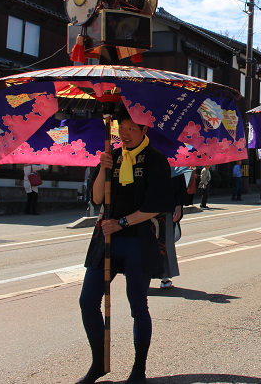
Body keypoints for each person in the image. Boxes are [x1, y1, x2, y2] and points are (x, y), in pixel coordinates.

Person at [78, 109, 173, 384]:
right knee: (87, 301)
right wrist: (102, 169)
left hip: (138, 239)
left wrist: (121, 222)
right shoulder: (113, 156)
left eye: (132, 128)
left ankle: (138, 369)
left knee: (137, 305)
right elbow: (97, 198)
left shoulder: (156, 160)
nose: (125, 133)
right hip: (106, 237)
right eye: (123, 128)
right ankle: (98, 364)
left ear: (144, 131)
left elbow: (155, 207)